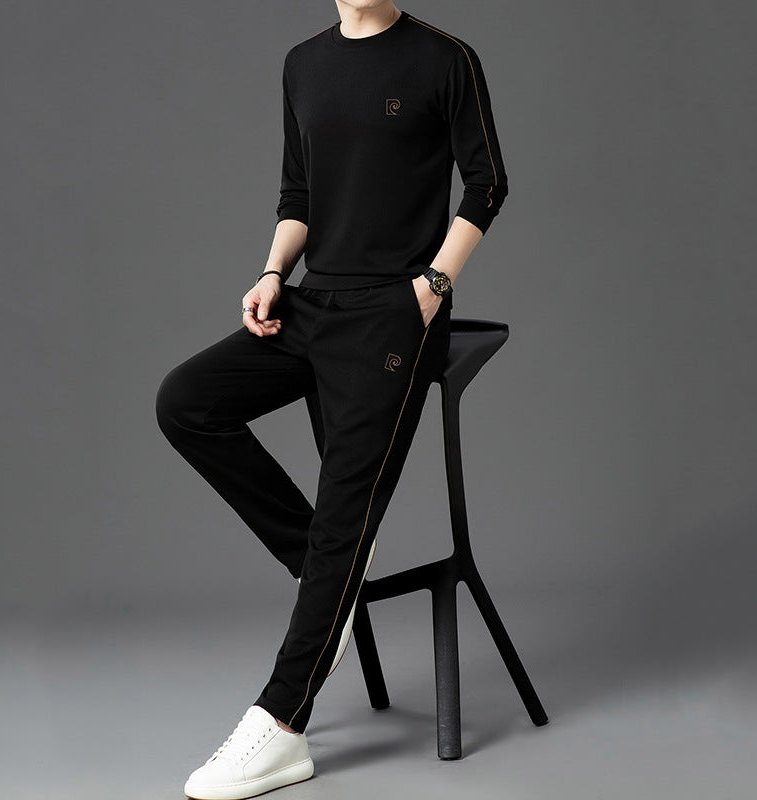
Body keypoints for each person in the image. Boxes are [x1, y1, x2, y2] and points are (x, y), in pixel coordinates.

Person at [155, 2, 508, 797]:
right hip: (312, 303)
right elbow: (298, 194)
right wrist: (272, 274)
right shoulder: (303, 63)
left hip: (396, 312)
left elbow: (488, 182)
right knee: (186, 402)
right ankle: (327, 570)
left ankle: (282, 727)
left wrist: (431, 287)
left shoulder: (445, 58)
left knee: (348, 506)